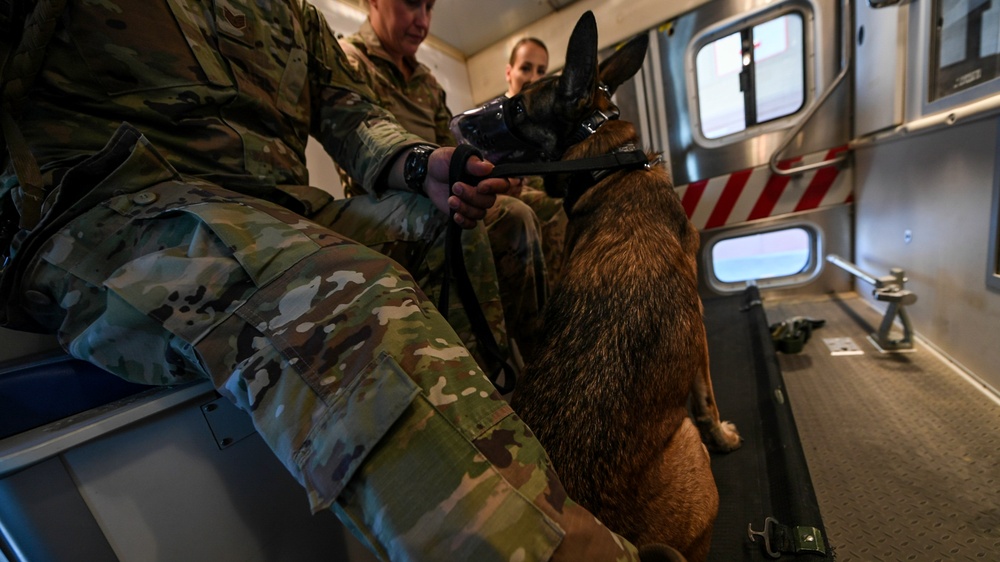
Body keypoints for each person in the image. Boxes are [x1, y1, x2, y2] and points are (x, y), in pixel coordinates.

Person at [0, 0, 646, 560]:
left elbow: (346, 112)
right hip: (115, 202)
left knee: (497, 220)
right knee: (346, 291)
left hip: (277, 200)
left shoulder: (292, 16)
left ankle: (536, 447)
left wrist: (422, 163)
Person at [336, 0, 548, 363]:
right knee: (502, 217)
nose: (423, 21)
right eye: (412, 4)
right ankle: (486, 380)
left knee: (533, 209)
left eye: (430, 8)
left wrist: (486, 176)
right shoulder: (349, 61)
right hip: (385, 202)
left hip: (438, 186)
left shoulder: (428, 83)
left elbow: (453, 149)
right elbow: (356, 161)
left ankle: (542, 360)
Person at [501, 37, 569, 294]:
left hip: (542, 201)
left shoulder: (547, 125)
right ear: (509, 73)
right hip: (509, 200)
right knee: (558, 209)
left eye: (541, 71)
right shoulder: (493, 121)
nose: (533, 77)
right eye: (525, 68)